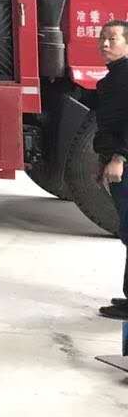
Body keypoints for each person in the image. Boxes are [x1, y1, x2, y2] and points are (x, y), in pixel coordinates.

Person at [95, 20, 128, 320]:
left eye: (113, 39)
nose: (105, 44)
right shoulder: (115, 76)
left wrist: (120, 156)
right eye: (102, 38)